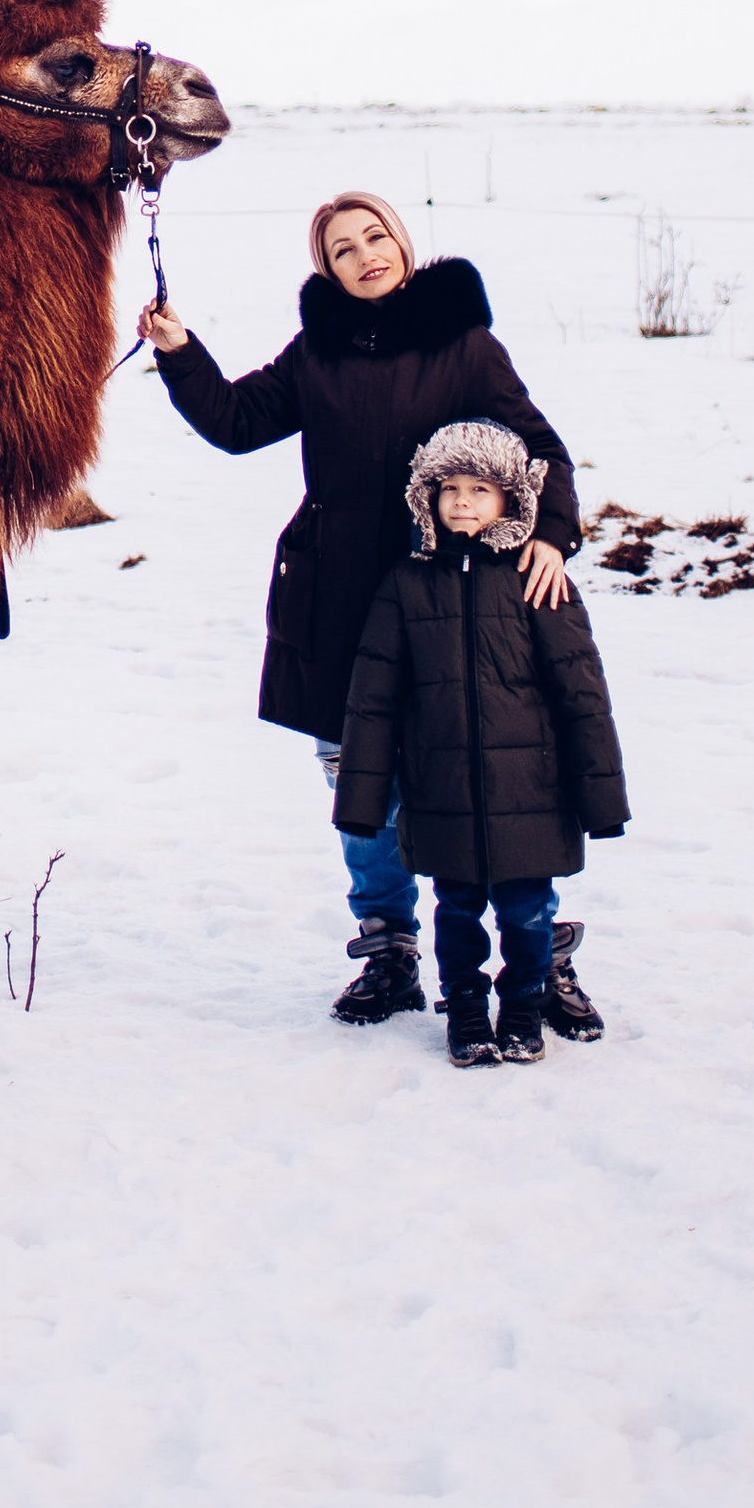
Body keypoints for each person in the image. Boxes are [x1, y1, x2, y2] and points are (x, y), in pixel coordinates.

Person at [144, 191, 601, 1037]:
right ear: (328, 270)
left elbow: (539, 449)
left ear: (403, 241)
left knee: (487, 780)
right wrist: (180, 352)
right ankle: (389, 948)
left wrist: (554, 536)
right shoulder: (316, 353)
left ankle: (538, 951)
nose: (364, 256)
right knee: (366, 789)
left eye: (374, 236)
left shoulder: (461, 341)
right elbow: (238, 423)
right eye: (342, 249)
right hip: (340, 610)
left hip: (454, 608)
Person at [332, 421, 628, 1066]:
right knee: (457, 915)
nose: (462, 501)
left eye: (481, 489)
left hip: (533, 796)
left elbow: (582, 693)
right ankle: (464, 1011)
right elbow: (374, 703)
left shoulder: (537, 581)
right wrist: (361, 800)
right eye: (449, 488)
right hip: (442, 796)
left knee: (527, 915)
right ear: (426, 499)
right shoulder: (405, 586)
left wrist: (601, 798)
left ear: (512, 501)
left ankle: (523, 1008)